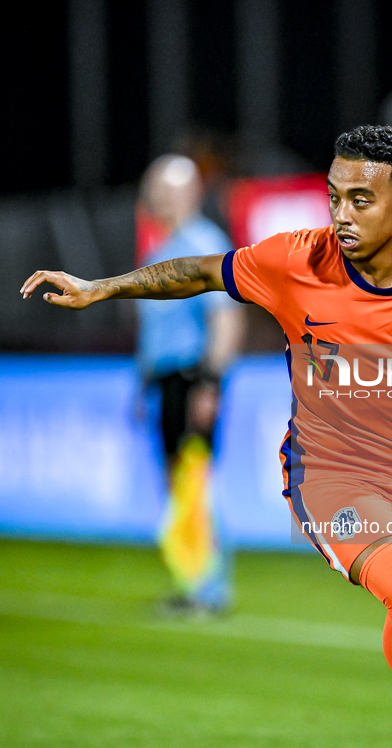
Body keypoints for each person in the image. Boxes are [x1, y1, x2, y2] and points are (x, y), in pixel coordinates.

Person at [22, 125, 392, 748]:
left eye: (360, 199)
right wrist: (102, 286)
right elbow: (198, 273)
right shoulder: (295, 260)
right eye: (334, 196)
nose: (340, 213)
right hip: (329, 473)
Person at [136, 153, 244, 613]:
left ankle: (210, 588)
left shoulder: (203, 244)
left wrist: (210, 383)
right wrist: (144, 384)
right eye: (156, 188)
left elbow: (226, 319)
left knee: (193, 482)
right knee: (178, 485)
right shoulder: (160, 249)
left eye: (168, 189)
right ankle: (192, 580)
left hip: (192, 377)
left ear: (190, 193)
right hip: (165, 381)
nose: (159, 197)